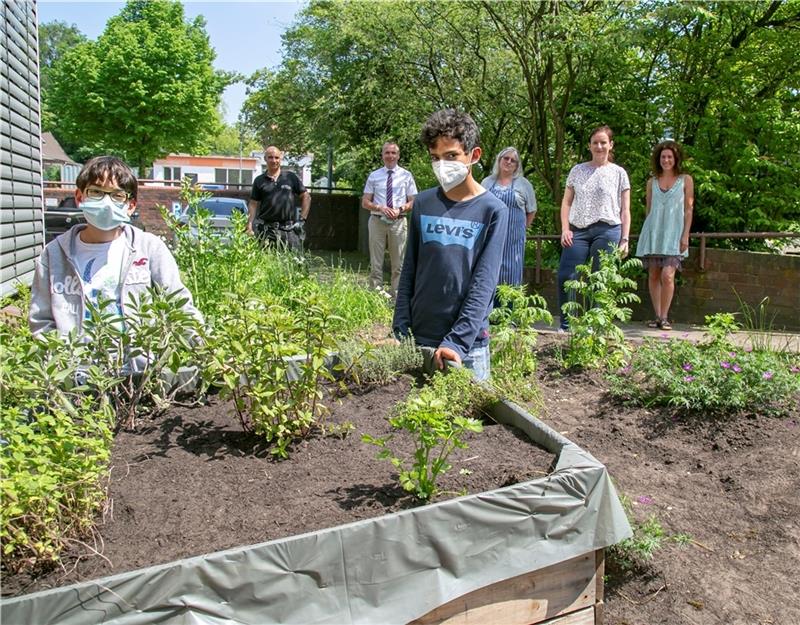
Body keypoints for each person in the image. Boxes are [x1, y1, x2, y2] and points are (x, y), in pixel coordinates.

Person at [29, 156, 203, 340]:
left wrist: (207, 348)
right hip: (76, 358)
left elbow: (179, 305)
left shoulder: (149, 248)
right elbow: (41, 321)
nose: (106, 202)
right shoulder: (54, 254)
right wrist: (58, 355)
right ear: (79, 197)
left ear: (131, 205)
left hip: (139, 358)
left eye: (117, 195)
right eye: (96, 192)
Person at [393, 109, 508, 381]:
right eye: (435, 157)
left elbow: (484, 283)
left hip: (465, 348)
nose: (442, 165)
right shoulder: (423, 203)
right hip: (418, 339)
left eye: (451, 156)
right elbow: (409, 270)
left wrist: (456, 341)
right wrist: (400, 329)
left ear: (474, 155)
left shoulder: (493, 210)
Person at [557, 125, 631, 331]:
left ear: (610, 145)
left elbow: (625, 209)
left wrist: (625, 239)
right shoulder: (577, 170)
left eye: (603, 142)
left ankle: (594, 325)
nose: (599, 146)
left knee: (600, 278)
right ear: (589, 146)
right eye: (595, 143)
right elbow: (566, 203)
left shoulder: (619, 173)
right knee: (567, 275)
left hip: (608, 229)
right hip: (578, 230)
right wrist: (565, 229)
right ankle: (567, 325)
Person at [636, 140, 694, 330]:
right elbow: (649, 210)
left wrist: (685, 235)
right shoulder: (651, 182)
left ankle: (665, 316)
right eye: (663, 157)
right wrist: (648, 235)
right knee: (653, 274)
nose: (666, 160)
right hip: (654, 233)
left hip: (674, 234)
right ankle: (658, 317)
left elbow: (688, 209)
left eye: (669, 156)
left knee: (667, 275)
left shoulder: (685, 180)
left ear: (676, 159)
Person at [362, 142, 418, 295]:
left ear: (398, 156)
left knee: (399, 264)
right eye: (387, 152)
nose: (390, 156)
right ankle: (375, 295)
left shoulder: (406, 176)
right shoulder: (374, 176)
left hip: (398, 222)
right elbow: (365, 202)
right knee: (376, 263)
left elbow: (414, 201)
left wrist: (399, 209)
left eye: (393, 153)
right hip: (377, 221)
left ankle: (397, 296)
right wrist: (380, 207)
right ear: (382, 155)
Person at [481, 147, 537, 294]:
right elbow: (480, 208)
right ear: (499, 160)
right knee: (489, 271)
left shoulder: (524, 184)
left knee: (511, 275)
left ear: (517, 166)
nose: (509, 162)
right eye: (506, 158)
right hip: (490, 237)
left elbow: (532, 210)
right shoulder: (487, 182)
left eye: (513, 160)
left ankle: (510, 308)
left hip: (514, 241)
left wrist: (522, 230)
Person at [247, 145, 311, 250]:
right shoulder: (259, 180)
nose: (274, 160)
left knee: (294, 260)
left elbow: (306, 197)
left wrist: (302, 220)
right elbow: (253, 204)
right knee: (265, 260)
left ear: (280, 159)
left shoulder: (290, 177)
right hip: (266, 231)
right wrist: (249, 224)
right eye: (270, 157)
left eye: (276, 157)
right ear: (265, 159)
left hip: (289, 231)